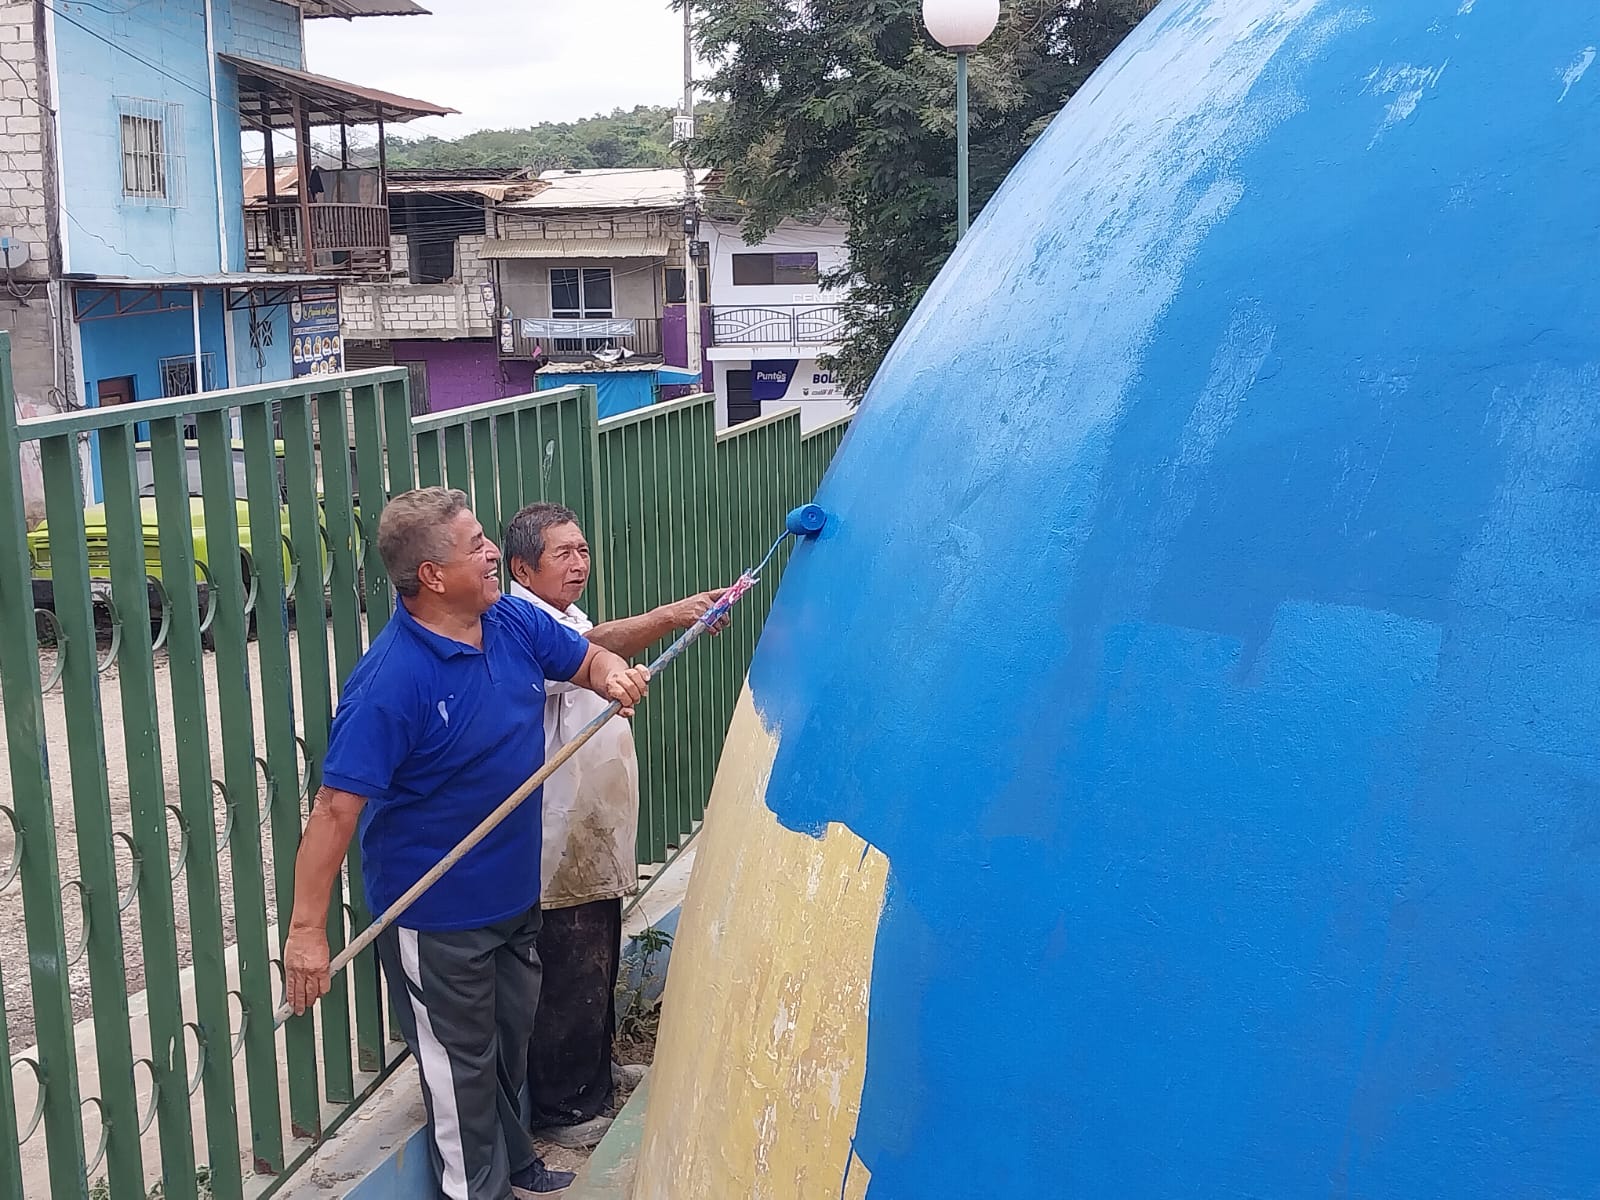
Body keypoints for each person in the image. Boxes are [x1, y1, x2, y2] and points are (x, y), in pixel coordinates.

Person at [283, 487, 651, 1200]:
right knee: (460, 1069)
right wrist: (305, 932)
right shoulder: (391, 681)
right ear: (431, 575)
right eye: (476, 544)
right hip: (436, 913)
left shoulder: (510, 620)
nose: (491, 555)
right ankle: (474, 1190)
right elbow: (334, 810)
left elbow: (583, 660)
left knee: (510, 1042)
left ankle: (514, 1164)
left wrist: (612, 675)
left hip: (514, 894)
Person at [502, 502, 726, 1148]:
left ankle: (596, 1075)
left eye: (582, 550)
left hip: (591, 822)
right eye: (562, 553)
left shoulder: (567, 617)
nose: (579, 563)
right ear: (522, 568)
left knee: (597, 949)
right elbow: (587, 652)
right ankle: (566, 1108)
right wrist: (670, 616)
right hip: (557, 829)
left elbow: (592, 639)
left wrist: (674, 616)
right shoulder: (523, 626)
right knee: (568, 962)